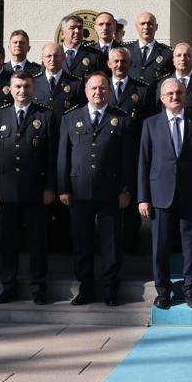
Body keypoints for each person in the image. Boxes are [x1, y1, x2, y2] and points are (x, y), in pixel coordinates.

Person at [58, 72, 135, 305]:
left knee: (111, 242)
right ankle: (86, 288)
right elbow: (64, 156)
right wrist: (63, 188)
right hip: (79, 190)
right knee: (83, 242)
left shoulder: (121, 119)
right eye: (93, 88)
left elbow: (128, 159)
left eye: (103, 88)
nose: (98, 92)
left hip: (110, 191)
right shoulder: (71, 118)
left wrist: (126, 189)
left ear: (109, 91)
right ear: (85, 91)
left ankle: (110, 288)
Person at [137, 77, 192, 309]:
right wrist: (143, 197)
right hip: (160, 194)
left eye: (179, 93)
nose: (174, 97)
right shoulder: (150, 124)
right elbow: (144, 162)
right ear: (162, 98)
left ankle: (190, 288)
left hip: (191, 195)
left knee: (191, 244)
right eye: (169, 94)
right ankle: (163, 290)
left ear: (185, 95)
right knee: (160, 246)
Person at [0, 70, 58, 304]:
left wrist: (50, 187)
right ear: (10, 88)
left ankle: (39, 287)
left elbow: (51, 156)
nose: (22, 91)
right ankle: (9, 286)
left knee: (38, 241)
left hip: (36, 190)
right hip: (7, 191)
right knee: (8, 242)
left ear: (33, 88)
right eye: (17, 86)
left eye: (26, 86)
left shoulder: (45, 116)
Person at [127, 11, 173, 83]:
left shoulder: (167, 53)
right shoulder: (126, 50)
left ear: (156, 27)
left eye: (150, 24)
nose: (146, 27)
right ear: (136, 27)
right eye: (142, 24)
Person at [59, 14, 105, 80]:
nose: (77, 31)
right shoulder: (52, 55)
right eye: (72, 28)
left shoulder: (95, 55)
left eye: (80, 28)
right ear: (62, 34)